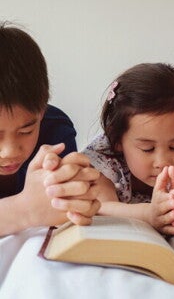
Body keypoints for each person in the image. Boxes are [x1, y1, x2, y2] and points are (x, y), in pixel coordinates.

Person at [83, 63, 174, 235]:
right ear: (117, 140)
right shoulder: (104, 162)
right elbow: (102, 208)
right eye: (147, 149)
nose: (163, 162)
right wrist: (149, 214)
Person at [0, 22, 100, 236]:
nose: (9, 151)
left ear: (42, 112)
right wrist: (24, 210)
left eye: (26, 131)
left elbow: (61, 208)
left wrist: (75, 196)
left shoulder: (55, 132)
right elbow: (33, 210)